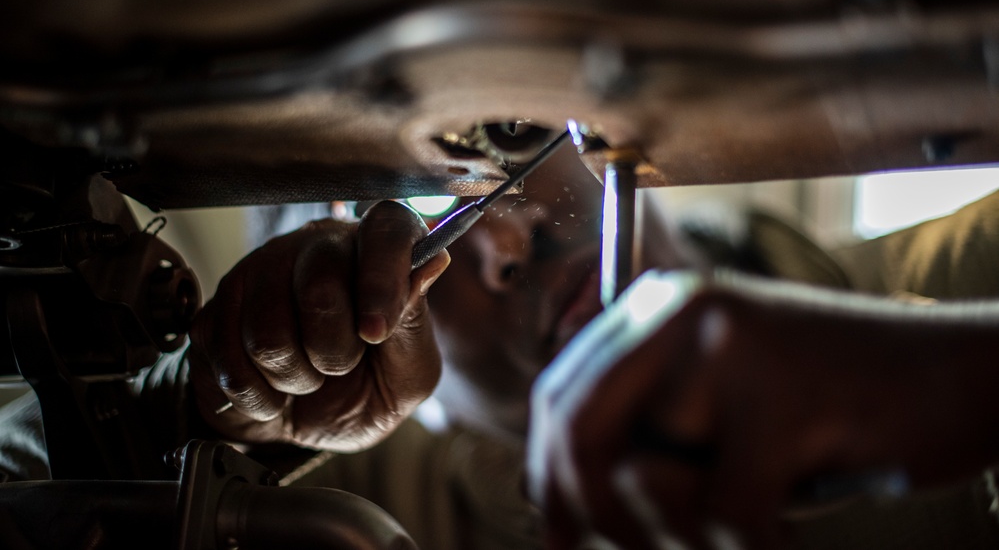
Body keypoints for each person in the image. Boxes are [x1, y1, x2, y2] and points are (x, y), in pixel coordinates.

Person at [3, 143, 999, 550]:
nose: (508, 240)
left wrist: (949, 380)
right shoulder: (352, 493)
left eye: (508, 147)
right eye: (419, 216)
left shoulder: (973, 276)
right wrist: (196, 409)